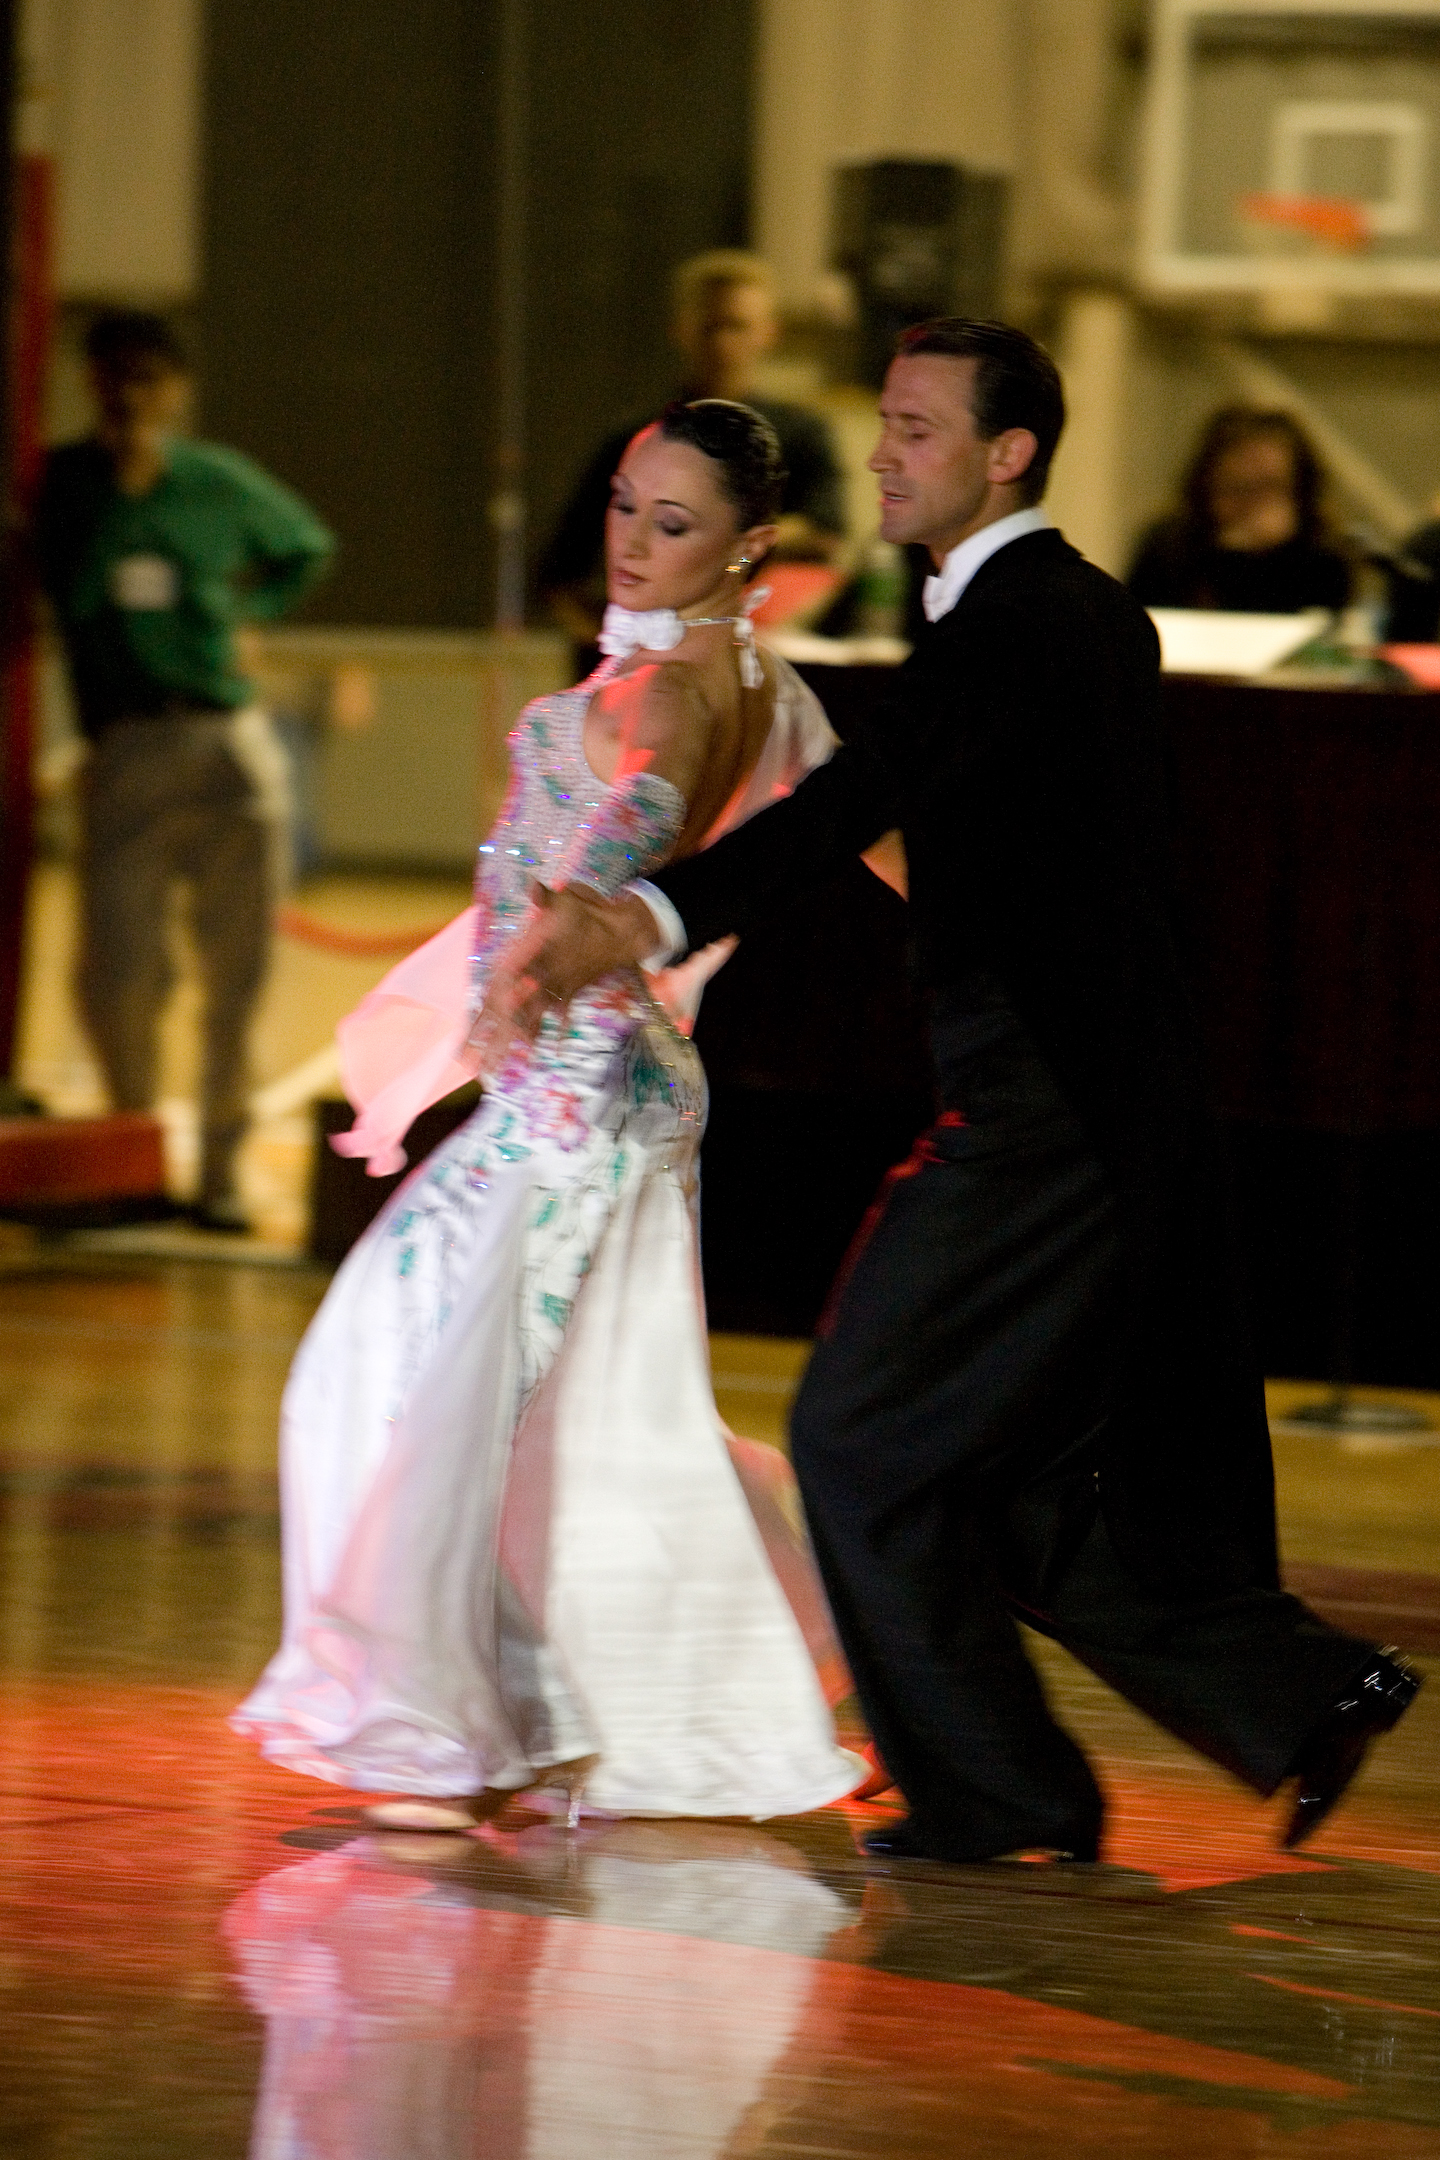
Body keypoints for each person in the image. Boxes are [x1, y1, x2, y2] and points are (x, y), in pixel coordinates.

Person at [488, 319, 1420, 1866]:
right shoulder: (1048, 618)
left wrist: (642, 918)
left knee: (859, 1436)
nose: (881, 454)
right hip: (1068, 1098)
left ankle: (1004, 1795)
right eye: (886, 423)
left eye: (916, 428)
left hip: (1048, 1114)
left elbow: (861, 797)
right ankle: (1297, 1697)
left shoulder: (1030, 618)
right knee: (987, 1478)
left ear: (1008, 453)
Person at [234, 398, 862, 1828]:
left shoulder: (682, 695)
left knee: (419, 1382)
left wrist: (550, 938)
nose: (632, 541)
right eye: (626, 506)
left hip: (584, 1096)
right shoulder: (750, 682)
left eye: (673, 523)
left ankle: (446, 1728)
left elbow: (637, 830)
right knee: (564, 1406)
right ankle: (573, 1697)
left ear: (749, 546)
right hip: (587, 1086)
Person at [32, 310, 335, 1229]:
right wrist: (121, 499)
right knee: (122, 971)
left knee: (237, 975)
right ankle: (135, 1160)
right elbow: (66, 593)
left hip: (226, 734)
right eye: (113, 374)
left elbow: (306, 545)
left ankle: (220, 1176)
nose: (129, 395)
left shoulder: (215, 480)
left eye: (148, 377)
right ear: (90, 381)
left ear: (175, 389)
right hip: (126, 744)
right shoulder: (65, 483)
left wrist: (252, 615)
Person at [538, 251, 846, 647]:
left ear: (769, 333)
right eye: (710, 327)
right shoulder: (636, 440)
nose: (722, 343)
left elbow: (825, 530)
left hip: (768, 641)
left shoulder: (800, 434)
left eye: (736, 326)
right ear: (681, 330)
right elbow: (562, 571)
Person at [1127, 406, 1352, 616]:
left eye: (1268, 486)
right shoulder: (1168, 549)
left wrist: (1270, 556)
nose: (1251, 504)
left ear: (1299, 489)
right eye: (1238, 487)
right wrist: (1229, 557)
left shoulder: (1323, 556)